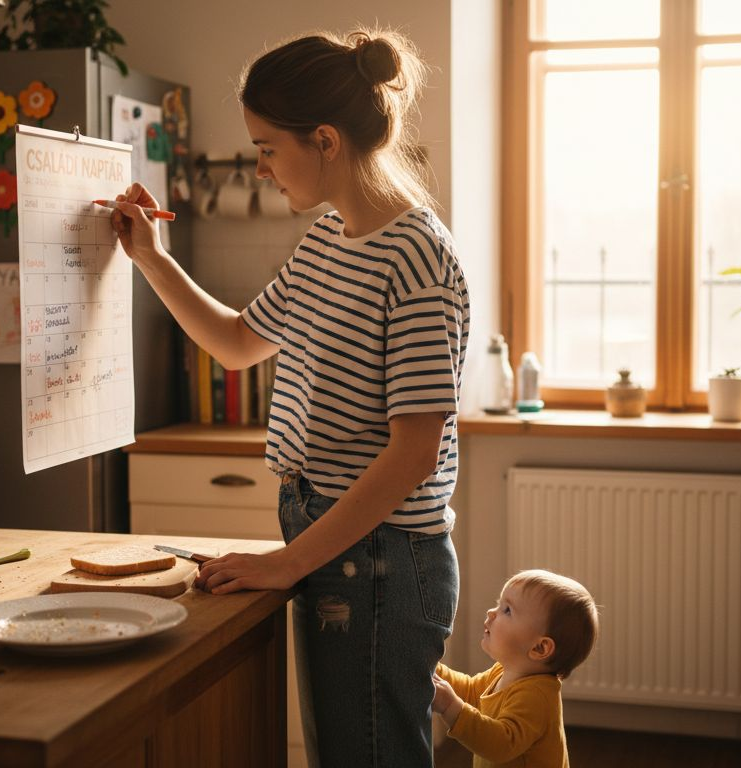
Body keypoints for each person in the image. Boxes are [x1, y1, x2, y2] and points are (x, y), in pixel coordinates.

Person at [109, 27, 470, 767]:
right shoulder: (331, 238)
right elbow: (240, 342)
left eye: (269, 147)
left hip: (380, 559)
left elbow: (413, 455)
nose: (262, 167)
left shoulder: (418, 257)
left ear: (327, 141)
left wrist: (287, 561)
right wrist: (150, 256)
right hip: (337, 543)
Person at [432, 569, 599, 767]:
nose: (491, 612)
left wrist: (450, 707)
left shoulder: (537, 696)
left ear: (539, 648)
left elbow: (501, 744)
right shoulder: (502, 671)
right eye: (498, 604)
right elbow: (471, 690)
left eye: (507, 610)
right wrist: (434, 669)